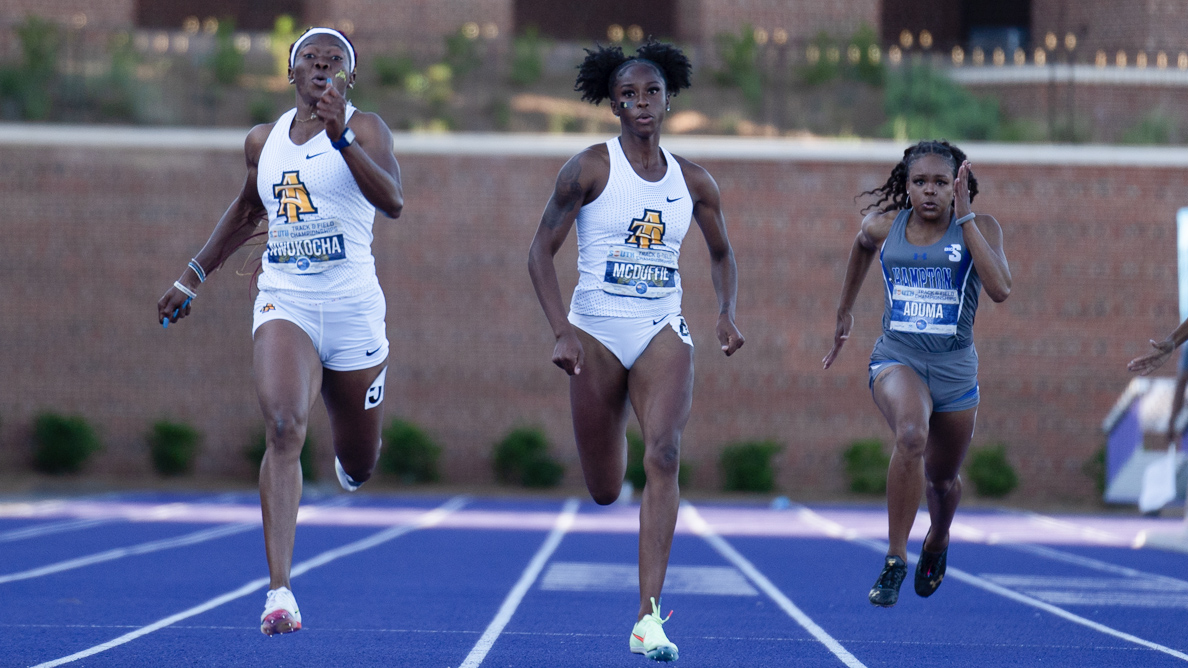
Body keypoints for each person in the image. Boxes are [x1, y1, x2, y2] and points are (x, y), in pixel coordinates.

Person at [156, 27, 403, 635]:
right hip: (285, 298)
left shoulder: (366, 128)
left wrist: (342, 135)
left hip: (352, 309)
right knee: (285, 426)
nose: (322, 69)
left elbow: (393, 200)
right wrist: (192, 276)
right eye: (311, 61)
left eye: (335, 63)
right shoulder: (263, 142)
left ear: (349, 78)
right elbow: (246, 210)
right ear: (291, 74)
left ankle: (353, 457)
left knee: (360, 462)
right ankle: (280, 591)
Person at [527, 41, 743, 661]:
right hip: (594, 330)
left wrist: (725, 312)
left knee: (666, 452)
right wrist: (560, 329)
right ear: (612, 104)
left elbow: (722, 254)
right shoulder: (589, 170)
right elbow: (540, 251)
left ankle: (649, 618)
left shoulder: (694, 182)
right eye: (629, 94)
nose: (642, 103)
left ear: (668, 97)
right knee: (602, 488)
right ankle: (613, 433)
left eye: (652, 92)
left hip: (660, 327)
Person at [822, 141, 1011, 607]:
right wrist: (845, 309)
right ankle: (894, 559)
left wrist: (965, 219)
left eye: (941, 183)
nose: (929, 192)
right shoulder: (887, 225)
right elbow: (862, 243)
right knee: (910, 435)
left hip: (955, 369)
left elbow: (1001, 289)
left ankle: (938, 539)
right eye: (920, 182)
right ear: (906, 186)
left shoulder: (980, 228)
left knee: (942, 482)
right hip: (897, 357)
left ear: (958, 186)